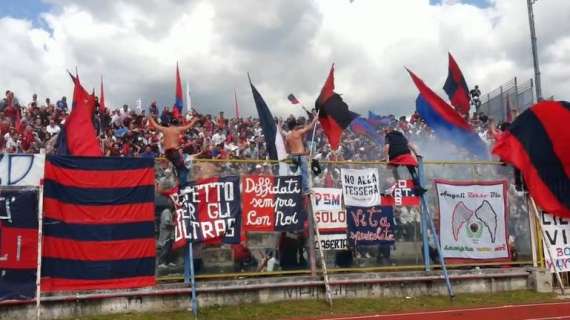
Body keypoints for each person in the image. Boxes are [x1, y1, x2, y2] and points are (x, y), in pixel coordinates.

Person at [148, 115, 199, 186]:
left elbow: (155, 125)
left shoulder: (165, 129)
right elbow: (189, 126)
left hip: (167, 153)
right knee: (183, 169)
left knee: (176, 169)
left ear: (170, 124)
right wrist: (194, 120)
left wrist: (150, 118)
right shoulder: (177, 129)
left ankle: (176, 183)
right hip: (174, 152)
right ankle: (182, 187)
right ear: (176, 124)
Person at [383, 124, 426, 195]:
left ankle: (398, 182)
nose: (385, 133)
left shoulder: (388, 136)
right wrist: (416, 154)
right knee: (412, 169)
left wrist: (386, 159)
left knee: (393, 168)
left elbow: (387, 147)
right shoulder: (401, 136)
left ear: (389, 131)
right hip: (406, 154)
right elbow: (410, 145)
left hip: (395, 155)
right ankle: (418, 187)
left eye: (385, 131)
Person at [285, 115, 318, 195]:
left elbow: (287, 149)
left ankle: (290, 188)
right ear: (295, 125)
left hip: (293, 156)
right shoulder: (298, 132)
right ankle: (305, 190)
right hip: (300, 156)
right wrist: (314, 120)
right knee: (304, 173)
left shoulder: (287, 136)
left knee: (293, 173)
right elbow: (309, 127)